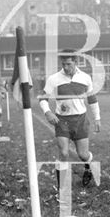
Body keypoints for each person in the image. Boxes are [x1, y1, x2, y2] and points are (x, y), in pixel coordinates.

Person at [39, 50, 101, 190]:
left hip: (81, 120)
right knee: (64, 153)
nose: (66, 67)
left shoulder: (85, 78)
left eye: (69, 64)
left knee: (83, 154)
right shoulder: (54, 79)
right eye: (63, 64)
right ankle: (62, 187)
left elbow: (92, 99)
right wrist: (48, 112)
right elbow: (43, 98)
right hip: (62, 121)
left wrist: (97, 118)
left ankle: (88, 168)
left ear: (75, 62)